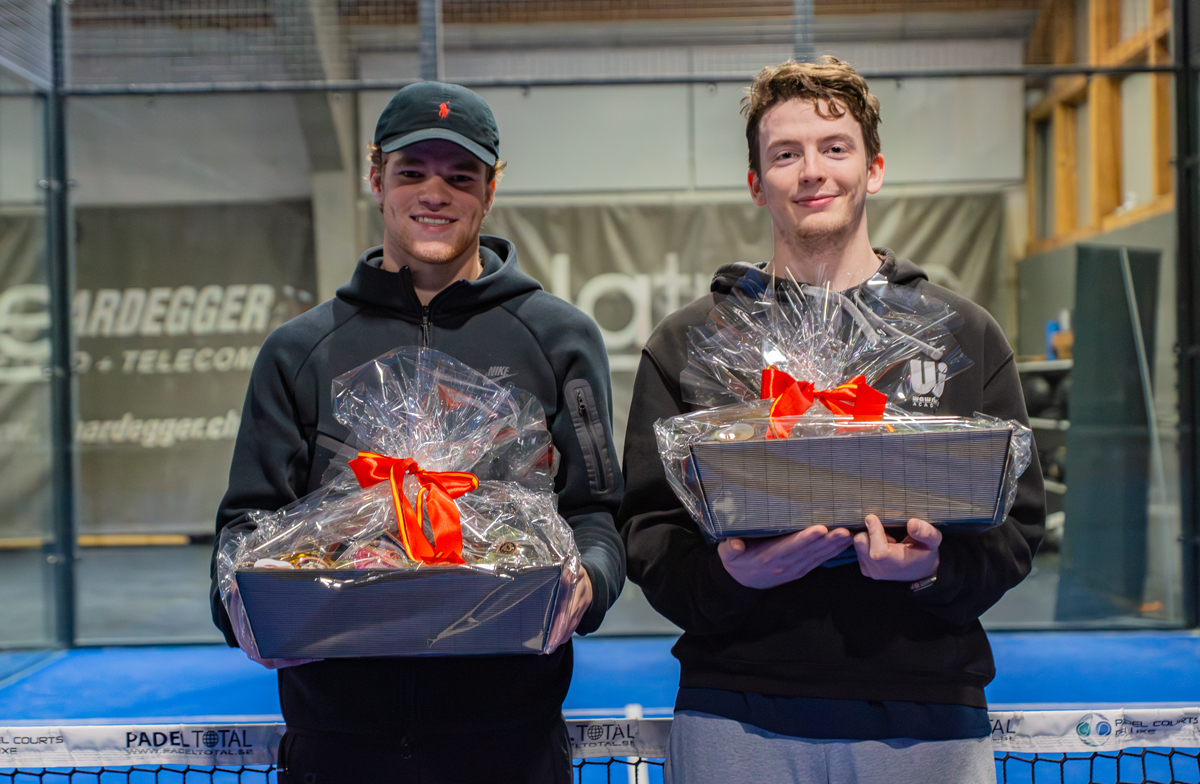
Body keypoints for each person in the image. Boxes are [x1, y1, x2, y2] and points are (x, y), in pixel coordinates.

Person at [618, 56, 1045, 783]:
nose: (812, 171)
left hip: (928, 712)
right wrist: (733, 579)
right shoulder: (693, 344)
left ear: (872, 169)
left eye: (834, 148)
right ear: (758, 183)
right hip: (738, 708)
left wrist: (934, 568)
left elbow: (1016, 527)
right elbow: (650, 533)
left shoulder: (959, 336)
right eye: (785, 154)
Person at [209, 81, 625, 784]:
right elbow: (245, 528)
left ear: (491, 189)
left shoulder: (558, 337)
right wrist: (242, 610)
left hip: (509, 742)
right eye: (411, 172)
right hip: (338, 743)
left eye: (460, 176)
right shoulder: (299, 350)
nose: (435, 193)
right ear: (375, 178)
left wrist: (591, 587)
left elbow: (598, 515)